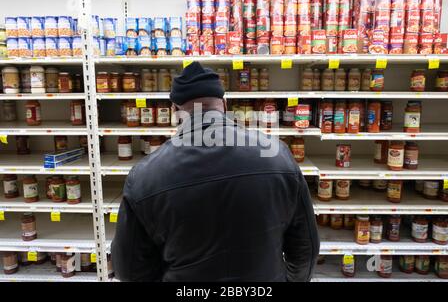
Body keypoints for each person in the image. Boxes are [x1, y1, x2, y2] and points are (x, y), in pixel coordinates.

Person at [111, 62, 319, 282]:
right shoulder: (278, 155)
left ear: (174, 111)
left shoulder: (144, 176)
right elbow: (306, 247)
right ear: (225, 105)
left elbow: (130, 269)